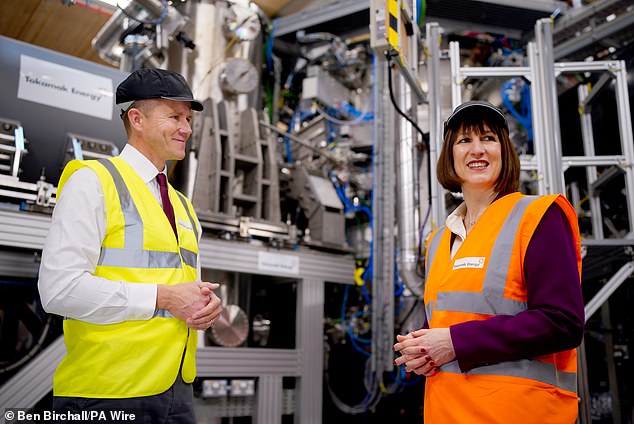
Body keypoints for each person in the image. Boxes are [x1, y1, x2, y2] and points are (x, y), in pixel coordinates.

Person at [38, 68, 222, 423]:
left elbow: (184, 289)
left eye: (188, 118)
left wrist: (203, 306)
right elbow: (58, 290)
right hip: (107, 394)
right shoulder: (93, 181)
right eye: (174, 116)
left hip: (176, 393)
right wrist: (164, 298)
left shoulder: (183, 206)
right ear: (136, 119)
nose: (186, 127)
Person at [393, 100, 585, 423]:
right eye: (464, 141)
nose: (477, 149)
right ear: (450, 156)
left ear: (504, 151)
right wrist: (422, 348)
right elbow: (453, 320)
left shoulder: (537, 217)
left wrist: (455, 342)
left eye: (488, 138)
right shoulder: (438, 241)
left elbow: (562, 322)